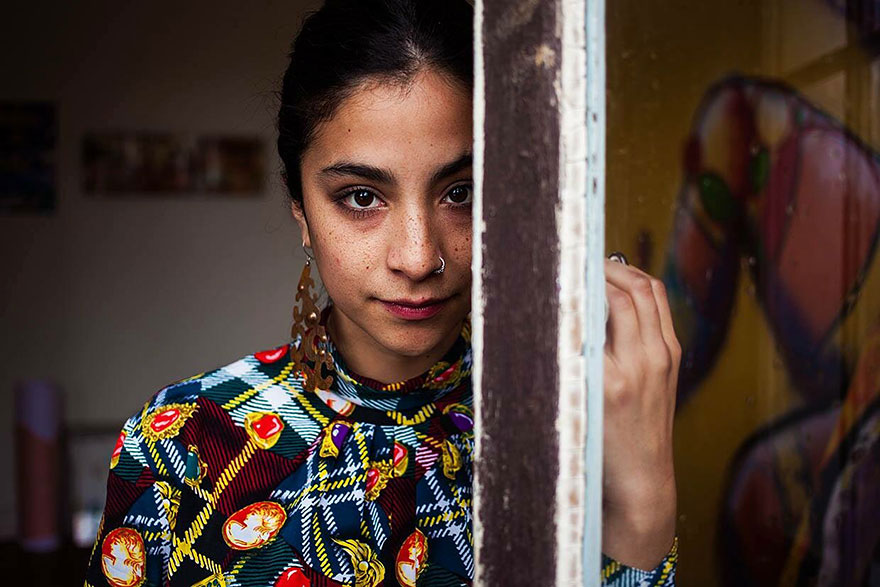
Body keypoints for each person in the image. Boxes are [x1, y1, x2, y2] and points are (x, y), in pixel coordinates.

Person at [84, 0, 679, 585]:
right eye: (362, 197)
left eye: (461, 192)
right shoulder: (183, 440)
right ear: (301, 212)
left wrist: (643, 499)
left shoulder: (564, 423)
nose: (419, 258)